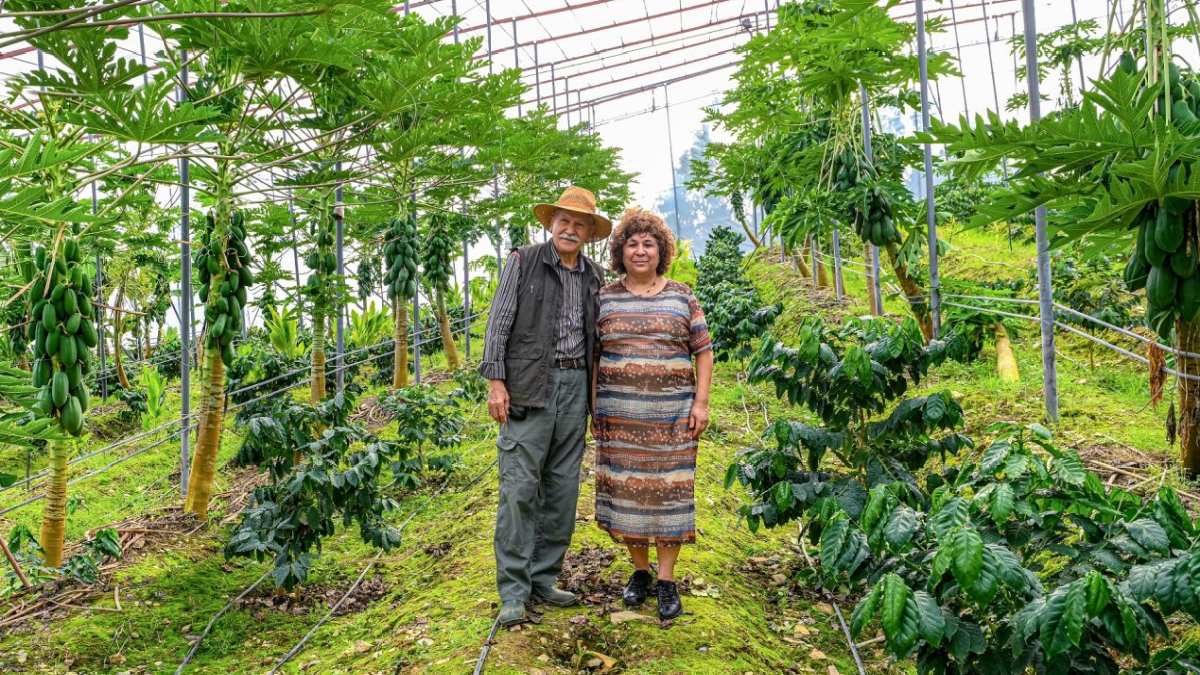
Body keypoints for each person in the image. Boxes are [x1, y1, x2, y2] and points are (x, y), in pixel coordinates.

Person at [479, 186, 610, 627]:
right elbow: (499, 323)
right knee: (519, 488)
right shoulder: (524, 261)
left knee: (562, 489)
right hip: (530, 385)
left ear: (590, 233)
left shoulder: (595, 277)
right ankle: (513, 590)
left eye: (580, 224)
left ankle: (543, 577)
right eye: (564, 221)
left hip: (576, 387)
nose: (570, 229)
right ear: (550, 224)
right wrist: (496, 382)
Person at [593, 207, 714, 621]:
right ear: (620, 251)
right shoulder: (605, 297)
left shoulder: (682, 296)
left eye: (648, 244)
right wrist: (595, 406)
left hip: (672, 420)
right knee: (628, 494)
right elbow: (595, 356)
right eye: (632, 244)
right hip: (620, 419)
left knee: (669, 494)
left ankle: (666, 579)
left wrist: (701, 403)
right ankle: (640, 572)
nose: (640, 251)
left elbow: (704, 351)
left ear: (661, 250)